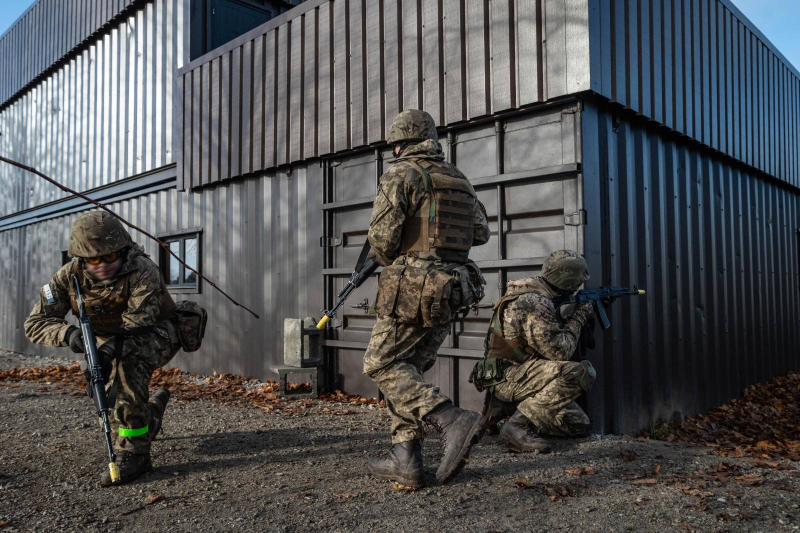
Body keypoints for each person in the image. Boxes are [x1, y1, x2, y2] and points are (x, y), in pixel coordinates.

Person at [364, 109, 491, 488]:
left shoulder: (401, 173)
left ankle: (451, 418)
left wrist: (400, 254)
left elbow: (383, 240)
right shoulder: (459, 179)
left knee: (381, 364)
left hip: (413, 288)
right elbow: (481, 233)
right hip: (451, 288)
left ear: (400, 142)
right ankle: (406, 459)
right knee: (406, 371)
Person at [24, 211, 183, 486]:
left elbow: (137, 326)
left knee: (125, 368)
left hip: (155, 332)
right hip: (104, 339)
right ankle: (150, 417)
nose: (102, 265)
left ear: (123, 250)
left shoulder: (143, 270)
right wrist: (70, 335)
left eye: (110, 256)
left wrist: (108, 353)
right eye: (93, 259)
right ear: (80, 258)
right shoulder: (67, 277)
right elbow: (36, 323)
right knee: (105, 392)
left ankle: (136, 454)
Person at [477, 250, 597, 453]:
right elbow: (560, 353)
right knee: (580, 373)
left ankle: (508, 412)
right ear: (570, 281)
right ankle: (517, 426)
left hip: (511, 374)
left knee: (578, 425)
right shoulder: (534, 301)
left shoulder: (530, 291)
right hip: (508, 377)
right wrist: (581, 315)